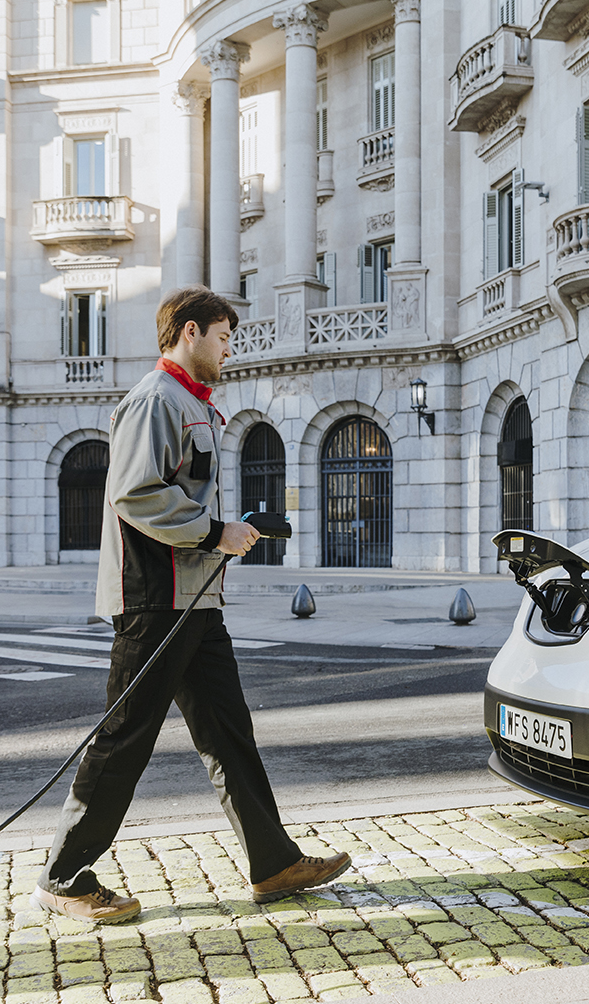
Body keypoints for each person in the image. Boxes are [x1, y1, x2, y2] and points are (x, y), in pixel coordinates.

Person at [32, 286, 351, 924]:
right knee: (125, 738)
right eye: (224, 337)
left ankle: (273, 863)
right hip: (155, 601)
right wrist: (215, 533)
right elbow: (135, 494)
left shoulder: (193, 405)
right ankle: (64, 878)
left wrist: (227, 530)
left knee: (229, 734)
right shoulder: (157, 400)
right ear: (187, 332)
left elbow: (178, 497)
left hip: (196, 601)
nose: (230, 350)